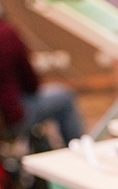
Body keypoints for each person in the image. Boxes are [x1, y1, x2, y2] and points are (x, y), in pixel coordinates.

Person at [0, 9, 83, 145]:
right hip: (12, 117)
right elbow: (31, 85)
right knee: (64, 97)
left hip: (6, 115)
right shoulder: (6, 33)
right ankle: (78, 150)